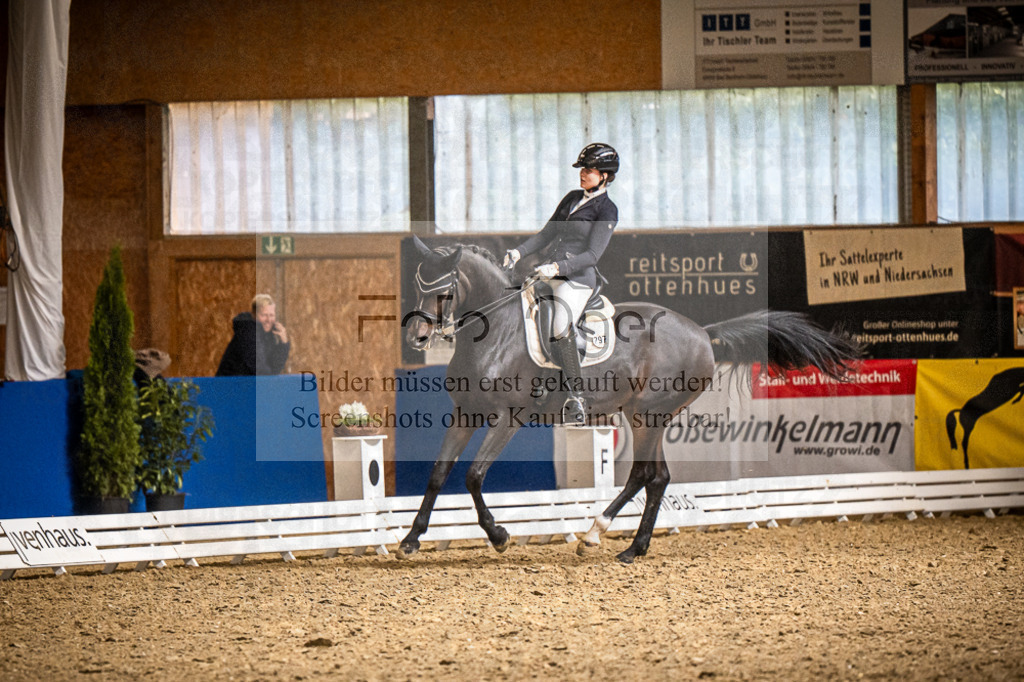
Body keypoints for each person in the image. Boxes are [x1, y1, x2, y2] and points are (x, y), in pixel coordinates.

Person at [503, 142, 620, 425]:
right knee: (519, 309)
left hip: (577, 279)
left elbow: (592, 255)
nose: (583, 173)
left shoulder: (607, 209)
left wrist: (558, 267)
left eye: (589, 170)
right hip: (548, 272)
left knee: (560, 326)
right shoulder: (571, 198)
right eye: (582, 169)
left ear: (604, 175)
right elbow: (546, 235)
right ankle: (540, 377)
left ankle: (576, 397)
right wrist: (519, 251)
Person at [216, 293, 290, 376]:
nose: (268, 320)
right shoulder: (247, 332)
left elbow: (274, 368)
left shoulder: (268, 336)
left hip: (247, 385)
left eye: (271, 315)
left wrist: (283, 344)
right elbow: (261, 371)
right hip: (229, 386)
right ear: (254, 315)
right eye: (264, 315)